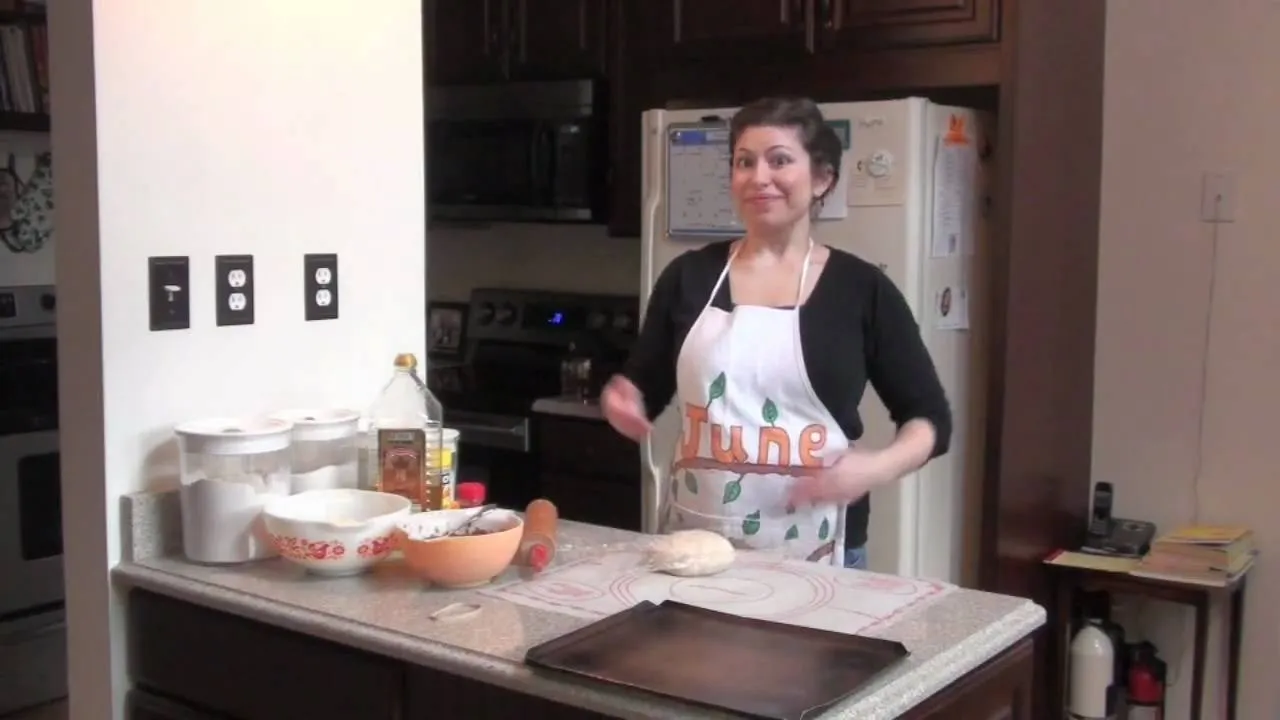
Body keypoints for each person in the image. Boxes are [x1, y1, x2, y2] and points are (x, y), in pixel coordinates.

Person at [601, 96, 952, 569]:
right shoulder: (689, 278)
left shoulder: (861, 290)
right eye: (745, 162)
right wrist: (626, 397)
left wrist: (874, 467)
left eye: (779, 160)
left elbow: (930, 419)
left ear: (822, 178)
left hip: (820, 547)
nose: (759, 177)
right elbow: (646, 382)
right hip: (697, 539)